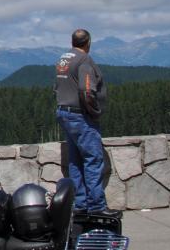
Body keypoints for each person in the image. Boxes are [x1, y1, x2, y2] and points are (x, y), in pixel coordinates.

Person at [55, 28, 116, 216]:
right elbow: (87, 89)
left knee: (75, 161)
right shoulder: (84, 60)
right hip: (80, 115)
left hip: (64, 112)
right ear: (88, 42)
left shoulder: (63, 59)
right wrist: (95, 111)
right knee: (93, 159)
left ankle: (80, 204)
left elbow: (57, 87)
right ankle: (97, 206)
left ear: (72, 41)